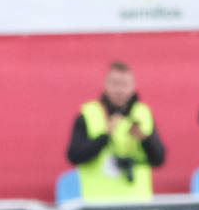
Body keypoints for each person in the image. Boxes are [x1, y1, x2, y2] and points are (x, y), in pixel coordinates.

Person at [66, 61, 166, 201]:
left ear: (133, 86)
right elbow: (74, 156)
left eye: (124, 85)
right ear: (105, 85)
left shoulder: (143, 114)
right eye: (115, 84)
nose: (119, 90)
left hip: (137, 201)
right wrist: (105, 136)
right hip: (99, 203)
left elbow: (159, 159)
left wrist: (144, 138)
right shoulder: (89, 114)